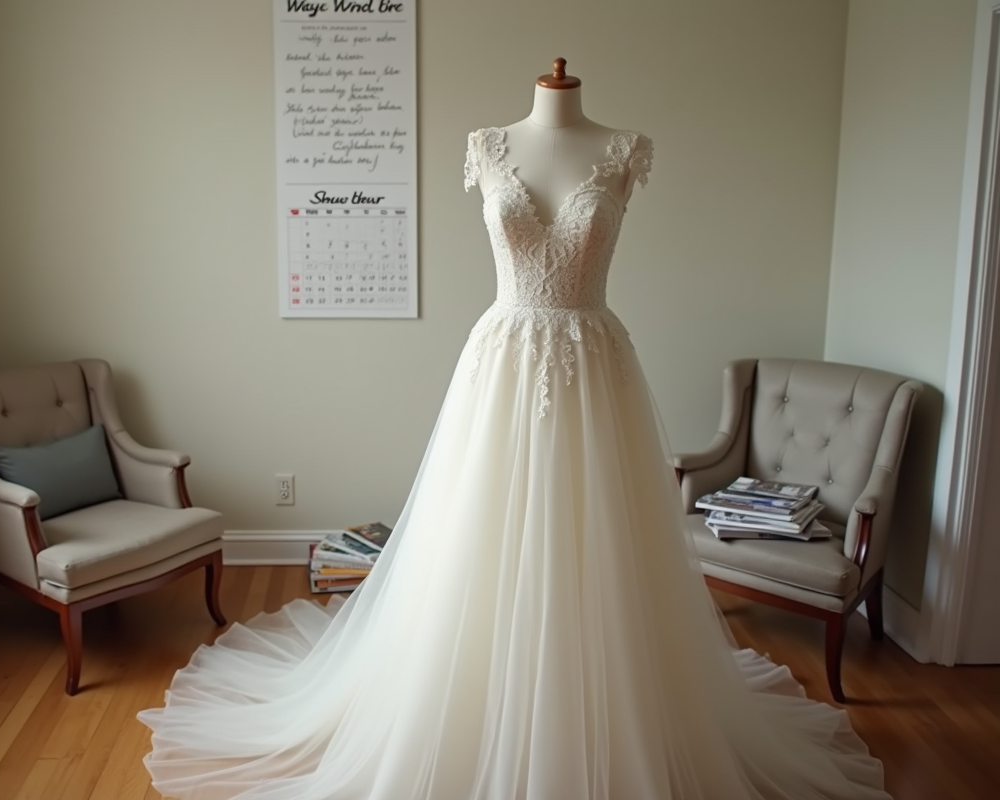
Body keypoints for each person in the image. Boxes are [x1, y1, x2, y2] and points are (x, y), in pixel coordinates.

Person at [138, 60, 891, 800]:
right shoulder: (487, 143)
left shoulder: (623, 148)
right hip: (501, 361)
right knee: (480, 534)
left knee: (595, 540)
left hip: (595, 368)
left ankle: (601, 707)